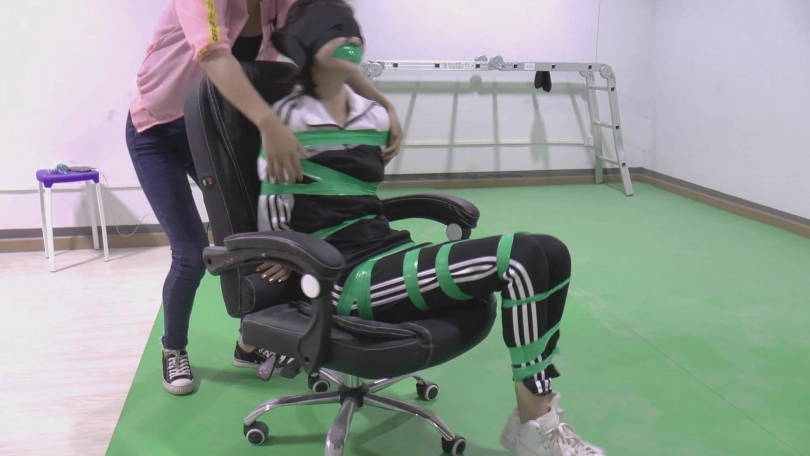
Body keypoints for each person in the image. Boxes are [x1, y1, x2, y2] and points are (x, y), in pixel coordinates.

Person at [250, 1, 606, 455]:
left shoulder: (370, 116)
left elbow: (361, 199)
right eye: (335, 30)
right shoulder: (287, 121)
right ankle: (534, 426)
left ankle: (536, 417)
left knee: (551, 251)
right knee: (521, 258)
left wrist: (383, 109)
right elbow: (274, 208)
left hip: (386, 252)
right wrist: (284, 251)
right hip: (345, 276)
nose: (352, 38)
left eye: (354, 29)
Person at [125, 0, 405, 396]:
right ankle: (173, 348)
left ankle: (249, 344)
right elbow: (214, 55)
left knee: (261, 237)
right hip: (159, 131)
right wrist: (269, 122)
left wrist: (382, 103)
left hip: (222, 126)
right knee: (189, 254)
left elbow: (322, 50)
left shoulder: (282, 5)